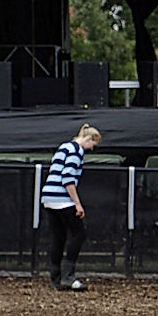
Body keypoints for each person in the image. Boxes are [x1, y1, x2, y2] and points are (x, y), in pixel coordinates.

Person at [41, 124, 102, 291]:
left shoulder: (64, 146)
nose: (91, 149)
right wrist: (77, 203)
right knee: (79, 234)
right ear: (89, 139)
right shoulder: (76, 151)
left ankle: (56, 278)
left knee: (58, 236)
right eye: (93, 146)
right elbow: (68, 178)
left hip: (48, 196)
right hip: (62, 198)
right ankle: (68, 276)